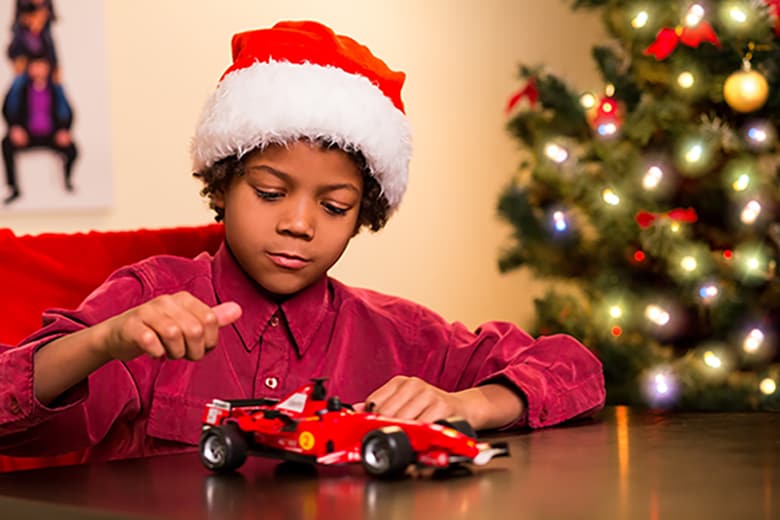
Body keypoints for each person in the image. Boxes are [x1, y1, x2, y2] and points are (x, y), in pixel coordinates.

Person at [0, 21, 605, 464]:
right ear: (223, 184)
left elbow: (577, 368)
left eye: (334, 206)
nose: (299, 224)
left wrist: (473, 404)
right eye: (269, 192)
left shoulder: (403, 336)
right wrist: (102, 341)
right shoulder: (149, 301)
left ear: (362, 211)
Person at [1, 52, 77, 205]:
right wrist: (14, 127)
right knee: (6, 145)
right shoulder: (20, 88)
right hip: (27, 134)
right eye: (34, 66)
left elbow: (67, 111)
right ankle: (13, 187)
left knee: (72, 150)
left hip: (50, 135)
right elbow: (8, 108)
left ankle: (67, 182)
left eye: (41, 66)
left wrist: (64, 129)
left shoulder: (56, 89)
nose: (38, 70)